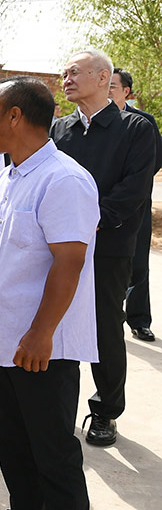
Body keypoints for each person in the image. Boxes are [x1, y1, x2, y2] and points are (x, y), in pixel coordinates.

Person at [0, 76, 99, 510]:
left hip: (42, 347)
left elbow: (69, 263)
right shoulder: (7, 178)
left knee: (52, 451)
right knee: (13, 445)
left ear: (15, 116)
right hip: (2, 338)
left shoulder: (64, 180)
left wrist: (41, 334)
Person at [50, 49, 156, 446]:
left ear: (102, 78)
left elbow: (134, 189)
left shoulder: (135, 128)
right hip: (61, 247)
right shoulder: (60, 130)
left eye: (74, 72)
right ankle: (59, 409)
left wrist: (86, 220)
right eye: (64, 74)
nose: (66, 79)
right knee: (57, 323)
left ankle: (105, 411)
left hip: (108, 245)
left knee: (104, 329)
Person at [109, 67, 162, 343]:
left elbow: (154, 160)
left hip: (135, 205)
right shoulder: (95, 122)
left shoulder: (143, 122)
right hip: (104, 208)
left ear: (126, 91)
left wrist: (129, 183)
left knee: (138, 264)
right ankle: (109, 317)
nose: (107, 90)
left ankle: (139, 320)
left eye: (112, 86)